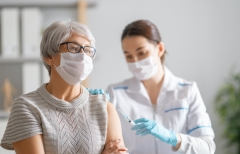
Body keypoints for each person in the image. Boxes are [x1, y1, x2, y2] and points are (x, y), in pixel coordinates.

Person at [0, 20, 128, 154]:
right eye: (73, 48)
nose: (83, 56)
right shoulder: (27, 107)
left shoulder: (103, 107)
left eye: (88, 50)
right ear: (48, 56)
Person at [104, 20, 216, 154]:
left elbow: (208, 148)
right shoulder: (116, 94)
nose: (135, 61)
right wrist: (91, 104)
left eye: (142, 53)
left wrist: (172, 137)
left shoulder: (187, 91)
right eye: (129, 56)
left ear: (160, 49)